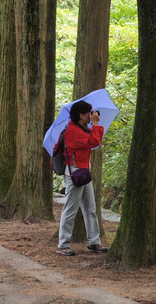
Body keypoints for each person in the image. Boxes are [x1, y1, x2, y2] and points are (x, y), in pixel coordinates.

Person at [55, 100, 108, 256]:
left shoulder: (82, 128)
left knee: (90, 209)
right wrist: (95, 123)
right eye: (88, 113)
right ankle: (63, 245)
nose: (91, 115)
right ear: (81, 115)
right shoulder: (72, 131)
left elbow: (94, 139)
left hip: (84, 173)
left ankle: (94, 242)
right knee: (70, 210)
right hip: (74, 175)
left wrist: (93, 124)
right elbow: (94, 141)